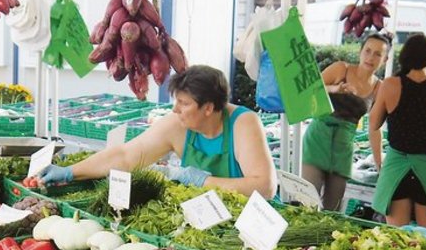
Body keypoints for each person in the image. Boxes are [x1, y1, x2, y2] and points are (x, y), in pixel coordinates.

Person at [37, 64, 276, 198]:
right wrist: (70, 172)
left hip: (250, 221)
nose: (175, 109)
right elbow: (125, 156)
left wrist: (204, 181)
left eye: (184, 103)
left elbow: (264, 186)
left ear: (208, 108)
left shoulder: (244, 123)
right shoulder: (177, 125)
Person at [369, 34, 426, 229]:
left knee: (397, 239)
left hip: (396, 168)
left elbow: (374, 122)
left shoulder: (390, 85)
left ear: (405, 57)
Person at [302, 92, 369, 211]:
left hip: (343, 141)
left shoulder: (374, 87)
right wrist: (334, 88)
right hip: (319, 137)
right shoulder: (334, 78)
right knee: (308, 202)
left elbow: (373, 123)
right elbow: (311, 91)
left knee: (334, 206)